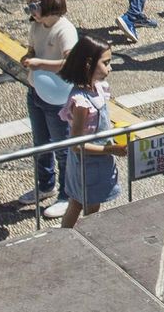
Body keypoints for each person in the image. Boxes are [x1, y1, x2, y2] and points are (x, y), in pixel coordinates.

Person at [18, 0, 79, 219]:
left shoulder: (64, 29)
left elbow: (70, 63)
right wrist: (29, 56)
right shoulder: (36, 26)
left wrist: (40, 63)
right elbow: (32, 50)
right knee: (41, 144)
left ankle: (66, 194)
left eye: (34, 4)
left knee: (62, 147)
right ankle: (45, 185)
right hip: (36, 92)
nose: (30, 10)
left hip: (58, 98)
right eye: (28, 5)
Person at [57, 37, 127, 227]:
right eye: (106, 63)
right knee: (89, 208)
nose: (109, 68)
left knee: (77, 202)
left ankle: (67, 236)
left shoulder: (98, 88)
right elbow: (76, 145)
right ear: (88, 64)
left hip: (94, 161)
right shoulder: (81, 102)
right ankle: (83, 240)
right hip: (88, 165)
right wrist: (110, 150)